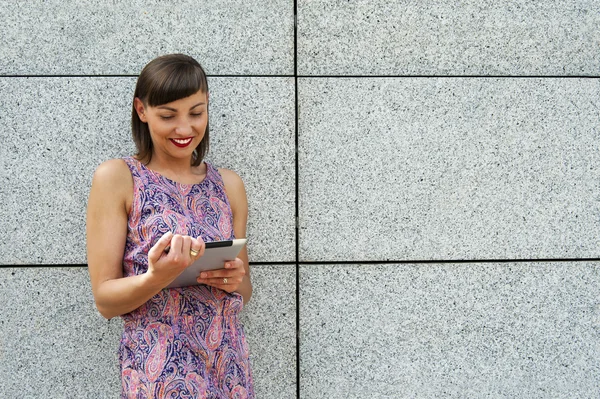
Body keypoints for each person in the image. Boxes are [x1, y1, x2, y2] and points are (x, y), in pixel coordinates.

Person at [86, 54, 254, 398]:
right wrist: (157, 278)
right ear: (141, 110)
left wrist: (233, 280)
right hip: (159, 373)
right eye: (168, 115)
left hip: (228, 366)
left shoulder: (229, 184)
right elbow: (105, 300)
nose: (184, 129)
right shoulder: (118, 178)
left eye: (196, 112)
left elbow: (245, 288)